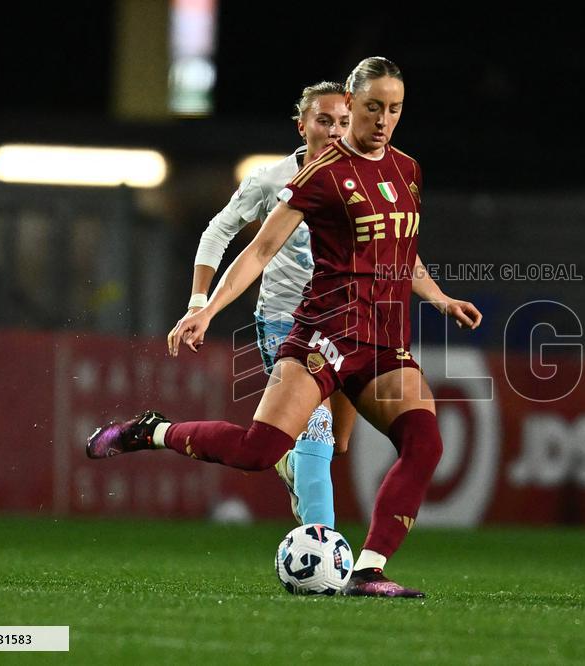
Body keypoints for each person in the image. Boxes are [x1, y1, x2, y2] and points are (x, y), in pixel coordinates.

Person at [88, 57, 481, 598]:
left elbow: (401, 253)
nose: (383, 119)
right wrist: (206, 308)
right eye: (373, 108)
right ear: (352, 101)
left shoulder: (408, 170)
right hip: (324, 335)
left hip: (385, 344)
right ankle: (152, 431)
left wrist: (438, 297)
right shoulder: (321, 174)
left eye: (394, 109)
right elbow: (260, 248)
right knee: (260, 451)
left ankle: (367, 569)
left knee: (424, 442)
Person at [170, 81, 358, 530]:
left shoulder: (364, 177)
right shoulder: (271, 180)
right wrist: (201, 304)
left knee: (339, 442)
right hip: (285, 321)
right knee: (317, 428)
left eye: (344, 123)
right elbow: (219, 232)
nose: (334, 131)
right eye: (324, 120)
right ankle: (322, 545)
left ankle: (291, 462)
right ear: (302, 125)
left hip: (350, 321)